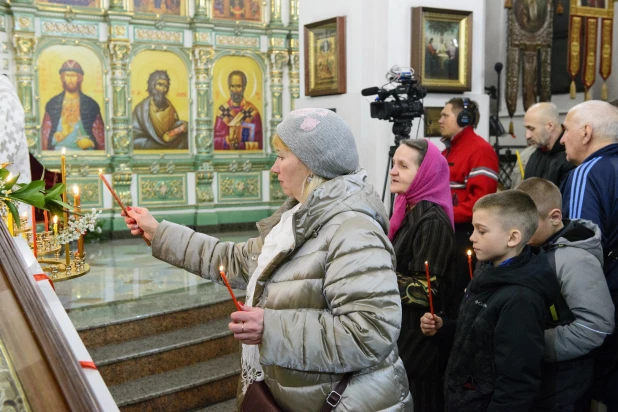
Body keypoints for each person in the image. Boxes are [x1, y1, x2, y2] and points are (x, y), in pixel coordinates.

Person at [123, 108, 413, 410]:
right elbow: (235, 260)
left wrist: (271, 328)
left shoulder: (352, 230)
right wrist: (159, 233)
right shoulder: (298, 217)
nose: (275, 168)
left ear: (310, 165)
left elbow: (370, 332)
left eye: (281, 156)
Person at [421, 190, 560, 411]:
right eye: (474, 228)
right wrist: (444, 329)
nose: (472, 237)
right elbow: (480, 335)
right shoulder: (488, 273)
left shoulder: (521, 299)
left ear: (512, 237)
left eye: (482, 231)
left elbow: (517, 383)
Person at [517, 178, 615, 411]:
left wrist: (532, 344)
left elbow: (596, 326)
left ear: (555, 217)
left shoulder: (575, 260)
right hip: (539, 377)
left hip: (563, 382)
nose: (519, 232)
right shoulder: (536, 246)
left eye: (529, 224)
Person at [389, 138, 455, 411]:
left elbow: (425, 290)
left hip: (420, 341)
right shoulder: (408, 207)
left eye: (403, 166)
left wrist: (374, 276)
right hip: (402, 332)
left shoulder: (432, 221)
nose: (393, 171)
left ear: (425, 174)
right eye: (394, 164)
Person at [560, 100, 618, 410]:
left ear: (586, 132)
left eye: (566, 130)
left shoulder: (588, 172)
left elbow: (580, 250)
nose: (561, 139)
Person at [440, 97, 499, 309]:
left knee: (458, 298)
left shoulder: (480, 151)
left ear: (464, 119)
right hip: (448, 233)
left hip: (465, 237)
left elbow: (481, 203)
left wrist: (441, 214)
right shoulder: (446, 151)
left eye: (445, 115)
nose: (440, 120)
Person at [41, 60, 105, 151]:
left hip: (86, 155)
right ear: (63, 78)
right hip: (58, 155)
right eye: (67, 75)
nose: (70, 79)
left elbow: (100, 138)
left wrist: (91, 143)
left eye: (73, 76)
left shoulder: (91, 105)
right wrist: (62, 134)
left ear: (79, 78)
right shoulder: (52, 104)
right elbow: (45, 139)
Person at [132, 70, 188, 150]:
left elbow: (175, 127)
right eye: (160, 84)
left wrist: (182, 126)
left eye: (166, 86)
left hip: (170, 142)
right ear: (152, 85)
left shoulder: (170, 106)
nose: (163, 89)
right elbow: (134, 136)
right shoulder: (140, 109)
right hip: (149, 144)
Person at [522, 102, 574, 187]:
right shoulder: (536, 154)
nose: (527, 135)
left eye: (531, 128)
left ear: (550, 126)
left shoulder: (571, 159)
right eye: (526, 129)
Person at [214, 70, 263, 151]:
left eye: (238, 86)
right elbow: (213, 141)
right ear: (229, 87)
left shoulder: (252, 112)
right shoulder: (222, 111)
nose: (235, 90)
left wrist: (242, 145)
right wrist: (227, 140)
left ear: (244, 87)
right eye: (232, 86)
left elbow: (261, 142)